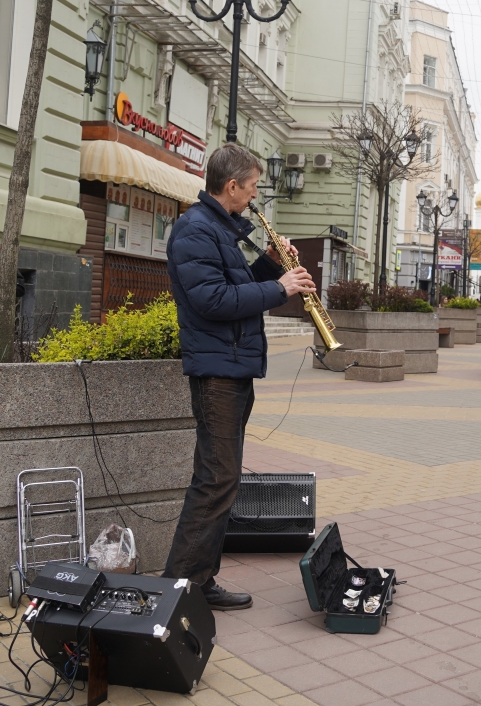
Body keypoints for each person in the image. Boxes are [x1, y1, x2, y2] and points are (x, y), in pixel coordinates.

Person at [164, 144, 316, 610]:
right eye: (251, 188)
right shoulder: (195, 229)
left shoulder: (216, 229)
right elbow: (213, 301)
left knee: (220, 480)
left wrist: (271, 265)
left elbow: (236, 287)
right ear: (231, 186)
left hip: (231, 367)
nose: (253, 197)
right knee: (216, 481)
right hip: (217, 373)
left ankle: (198, 581)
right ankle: (178, 590)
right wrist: (281, 287)